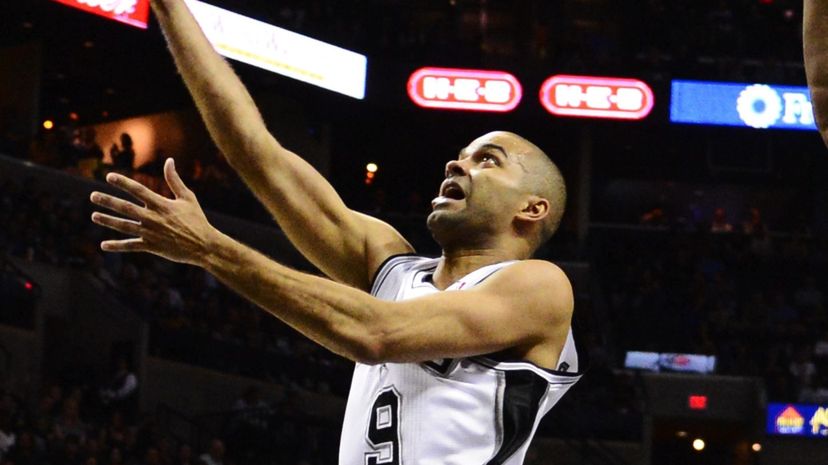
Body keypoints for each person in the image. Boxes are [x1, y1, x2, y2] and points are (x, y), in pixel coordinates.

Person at [89, 1, 582, 464]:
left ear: (532, 208)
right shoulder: (392, 267)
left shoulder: (539, 287)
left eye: (488, 160)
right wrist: (171, 8)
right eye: (463, 154)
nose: (458, 162)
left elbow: (375, 333)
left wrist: (211, 249)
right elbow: (255, 153)